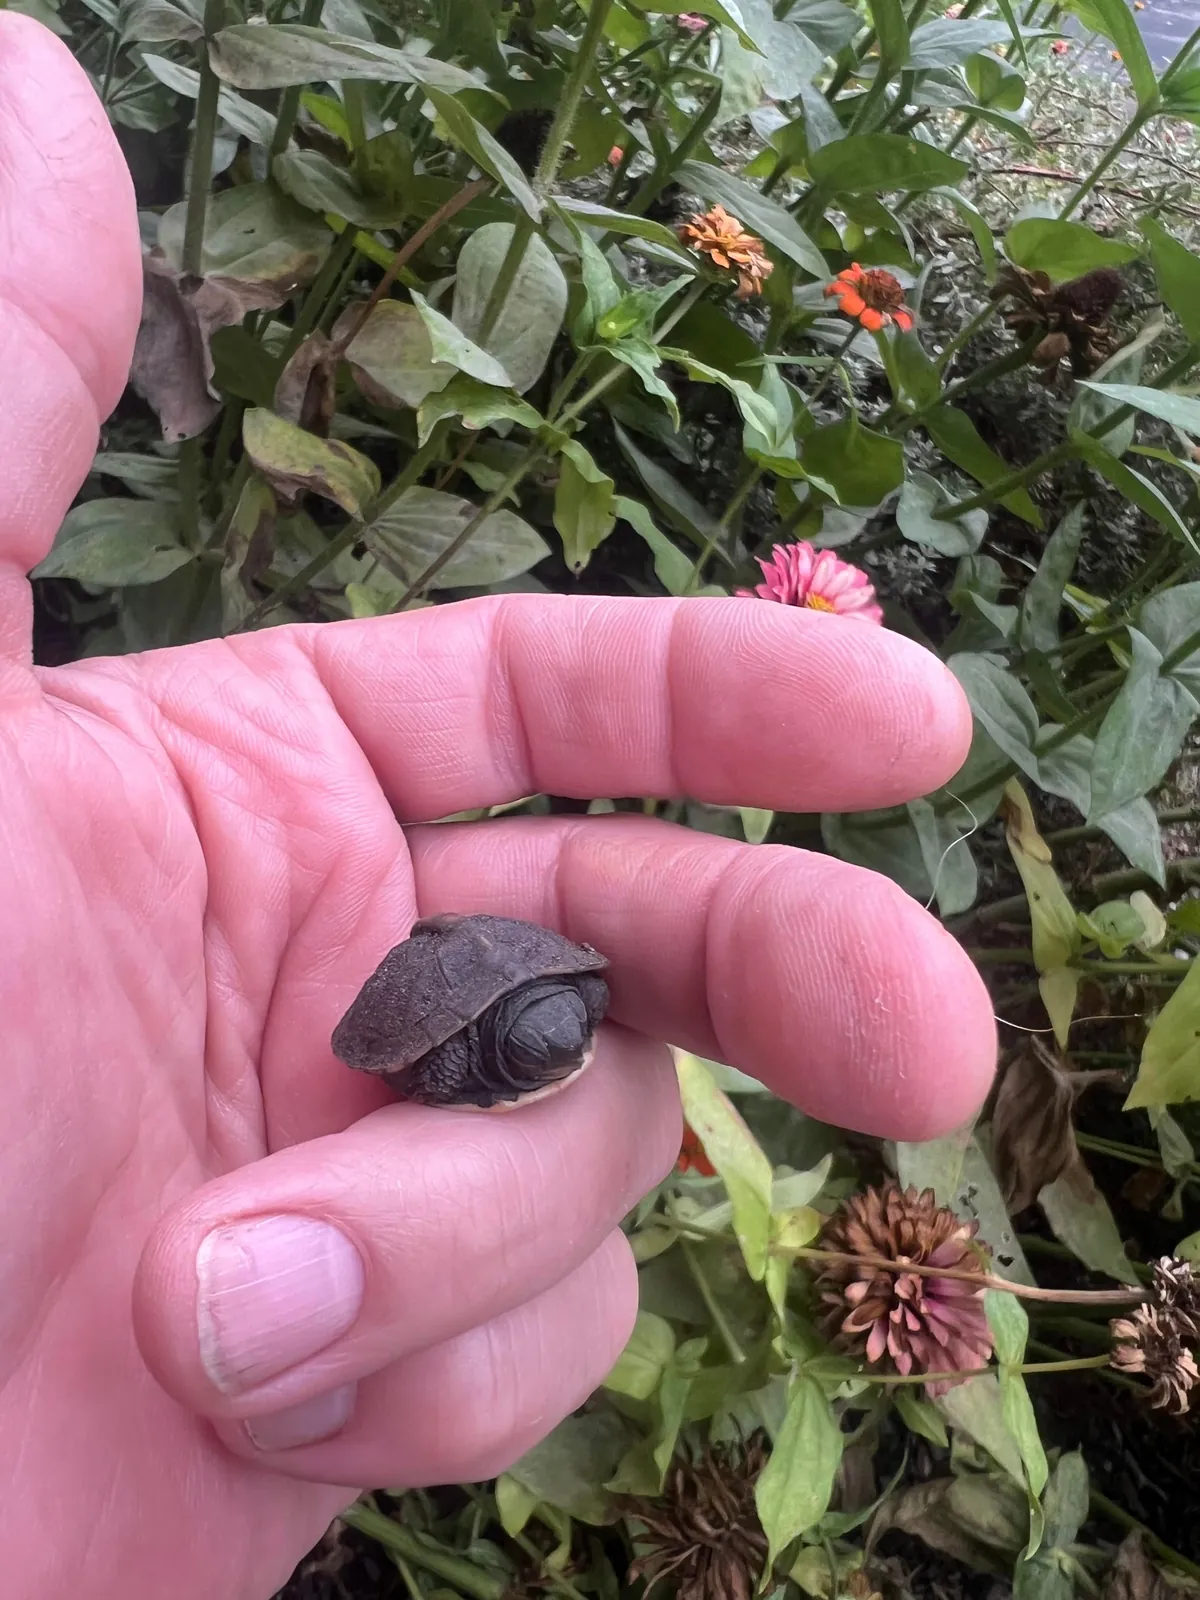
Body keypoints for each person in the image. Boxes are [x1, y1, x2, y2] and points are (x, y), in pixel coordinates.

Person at [0, 14, 997, 1598]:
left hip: (471, 1010)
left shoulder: (546, 984)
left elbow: (539, 1035)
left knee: (548, 1096)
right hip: (466, 997)